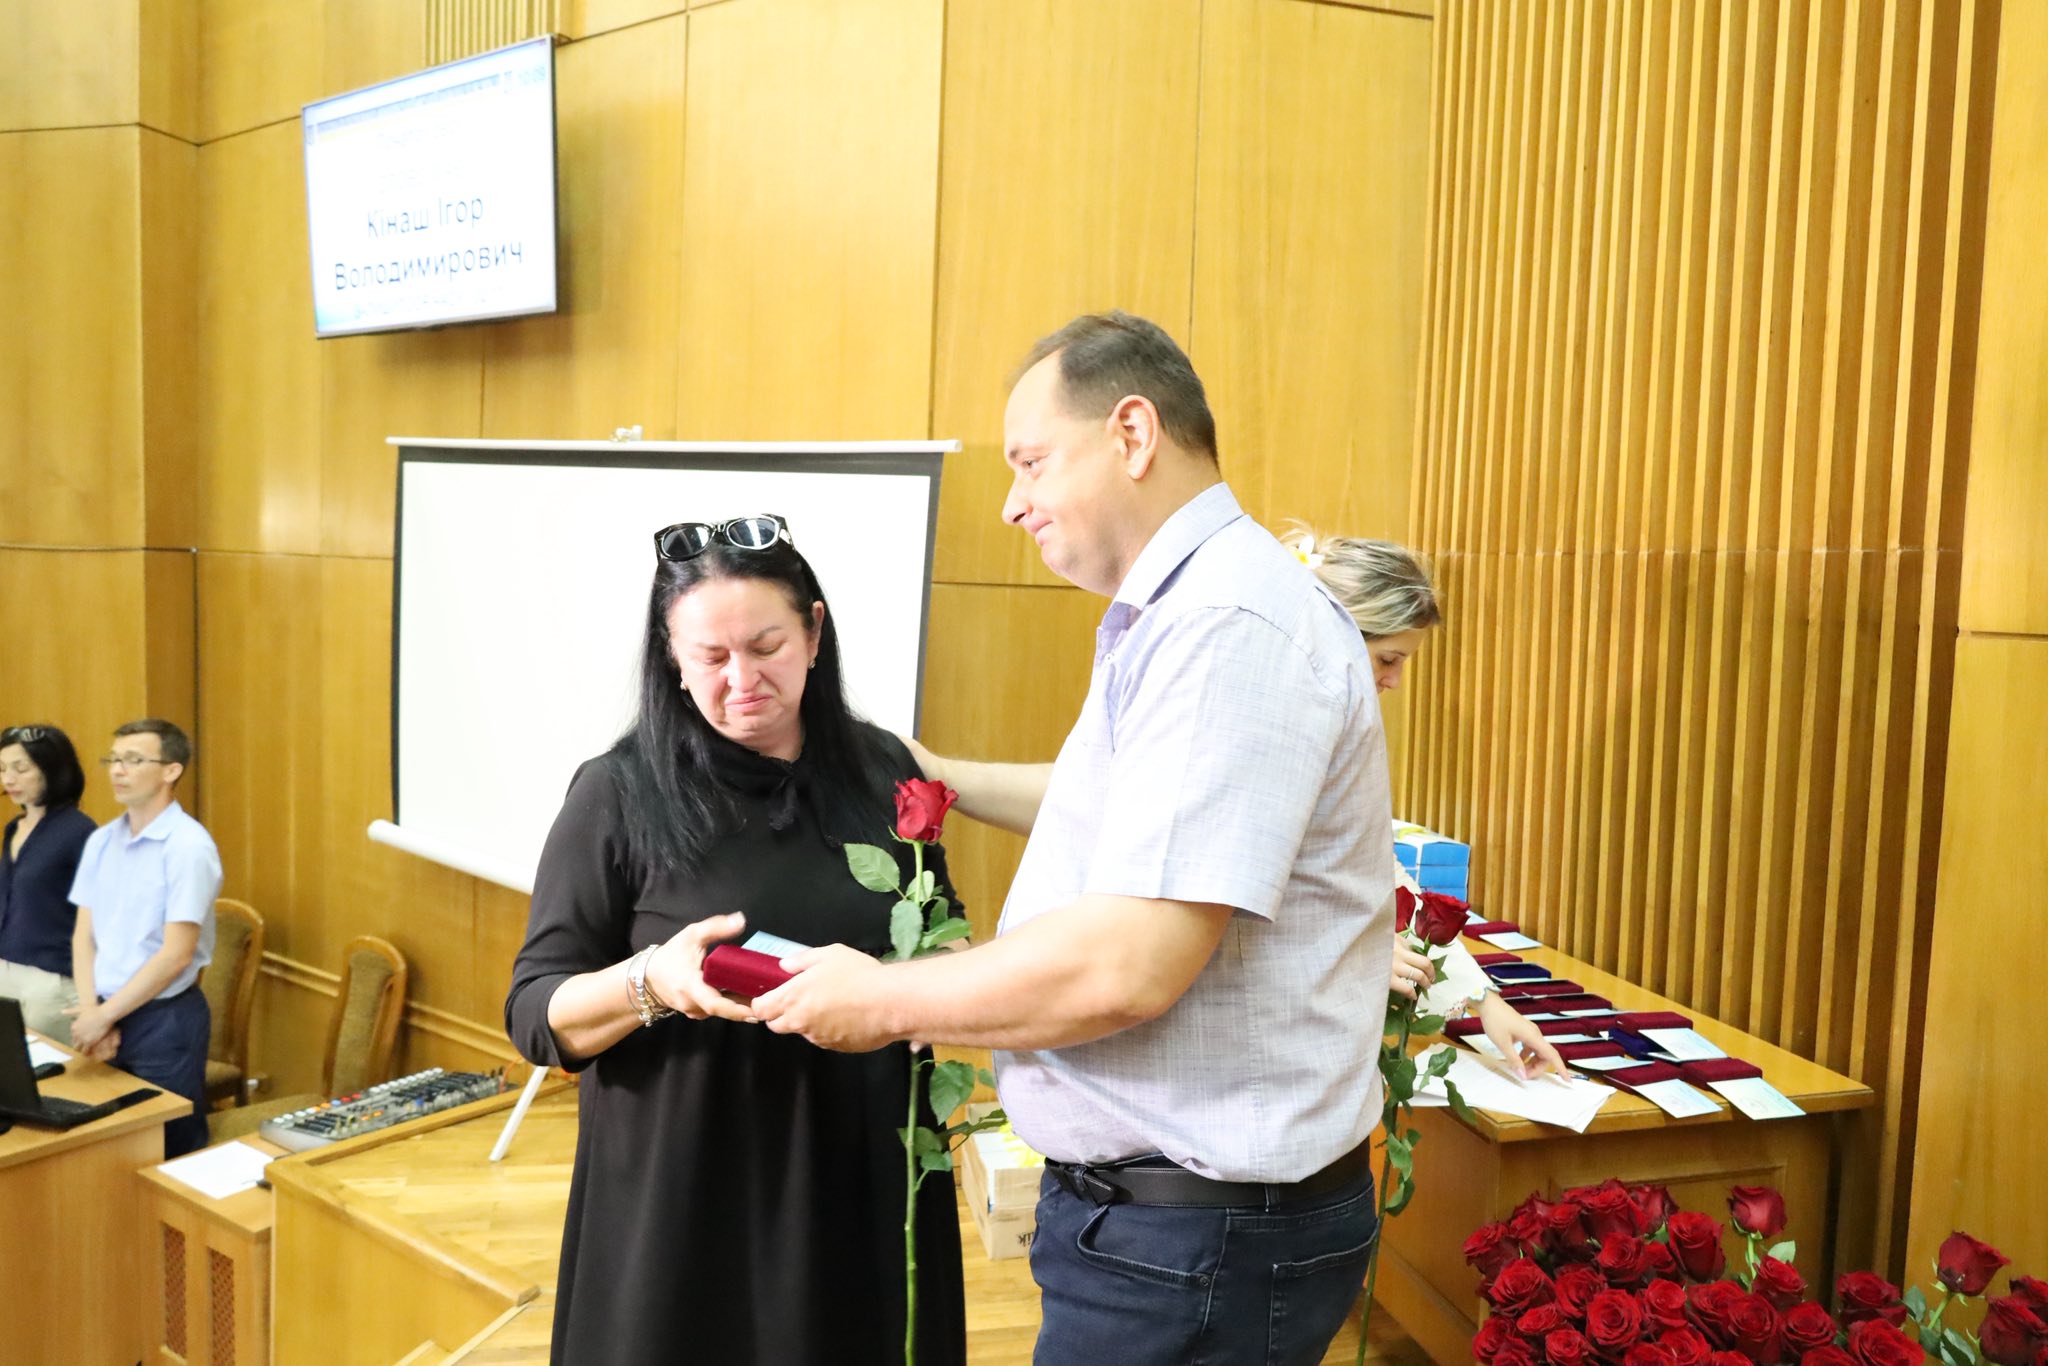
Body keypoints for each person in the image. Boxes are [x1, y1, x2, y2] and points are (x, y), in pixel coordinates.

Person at [754, 312, 1392, 1366]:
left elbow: (1126, 967)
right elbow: (1142, 817)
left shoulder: (1224, 625)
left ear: (1131, 433)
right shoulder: (1191, 609)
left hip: (1193, 1242)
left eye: (1031, 461)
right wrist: (940, 774)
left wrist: (881, 998)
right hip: (1175, 1231)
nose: (1013, 503)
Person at [503, 514, 965, 1366]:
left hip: (861, 1176)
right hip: (686, 1199)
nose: (742, 680)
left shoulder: (883, 773)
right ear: (671, 659)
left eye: (766, 646)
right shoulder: (617, 794)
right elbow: (535, 1013)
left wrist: (914, 988)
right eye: (711, 657)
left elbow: (944, 944)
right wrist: (652, 982)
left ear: (814, 633)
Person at [1282, 526, 1566, 1075]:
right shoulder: (1258, 727)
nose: (1394, 681)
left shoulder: (1338, 722)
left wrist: (1484, 1001)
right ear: (1331, 633)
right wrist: (1346, 951)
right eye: (1387, 659)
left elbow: (1374, 874)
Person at [67, 719, 221, 1156]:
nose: (118, 770)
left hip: (163, 1019)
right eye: (114, 760)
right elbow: (83, 936)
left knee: (165, 1148)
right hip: (105, 1010)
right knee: (108, 1147)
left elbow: (176, 955)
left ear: (171, 770)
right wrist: (92, 1011)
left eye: (133, 760)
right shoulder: (101, 840)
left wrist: (104, 1015)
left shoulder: (188, 847)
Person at [0, 725, 96, 1040]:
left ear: (51, 770)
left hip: (52, 979)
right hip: (7, 969)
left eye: (21, 769)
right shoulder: (14, 828)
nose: (8, 779)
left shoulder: (80, 831)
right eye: (2, 769)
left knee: (48, 1068)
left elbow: (98, 915)